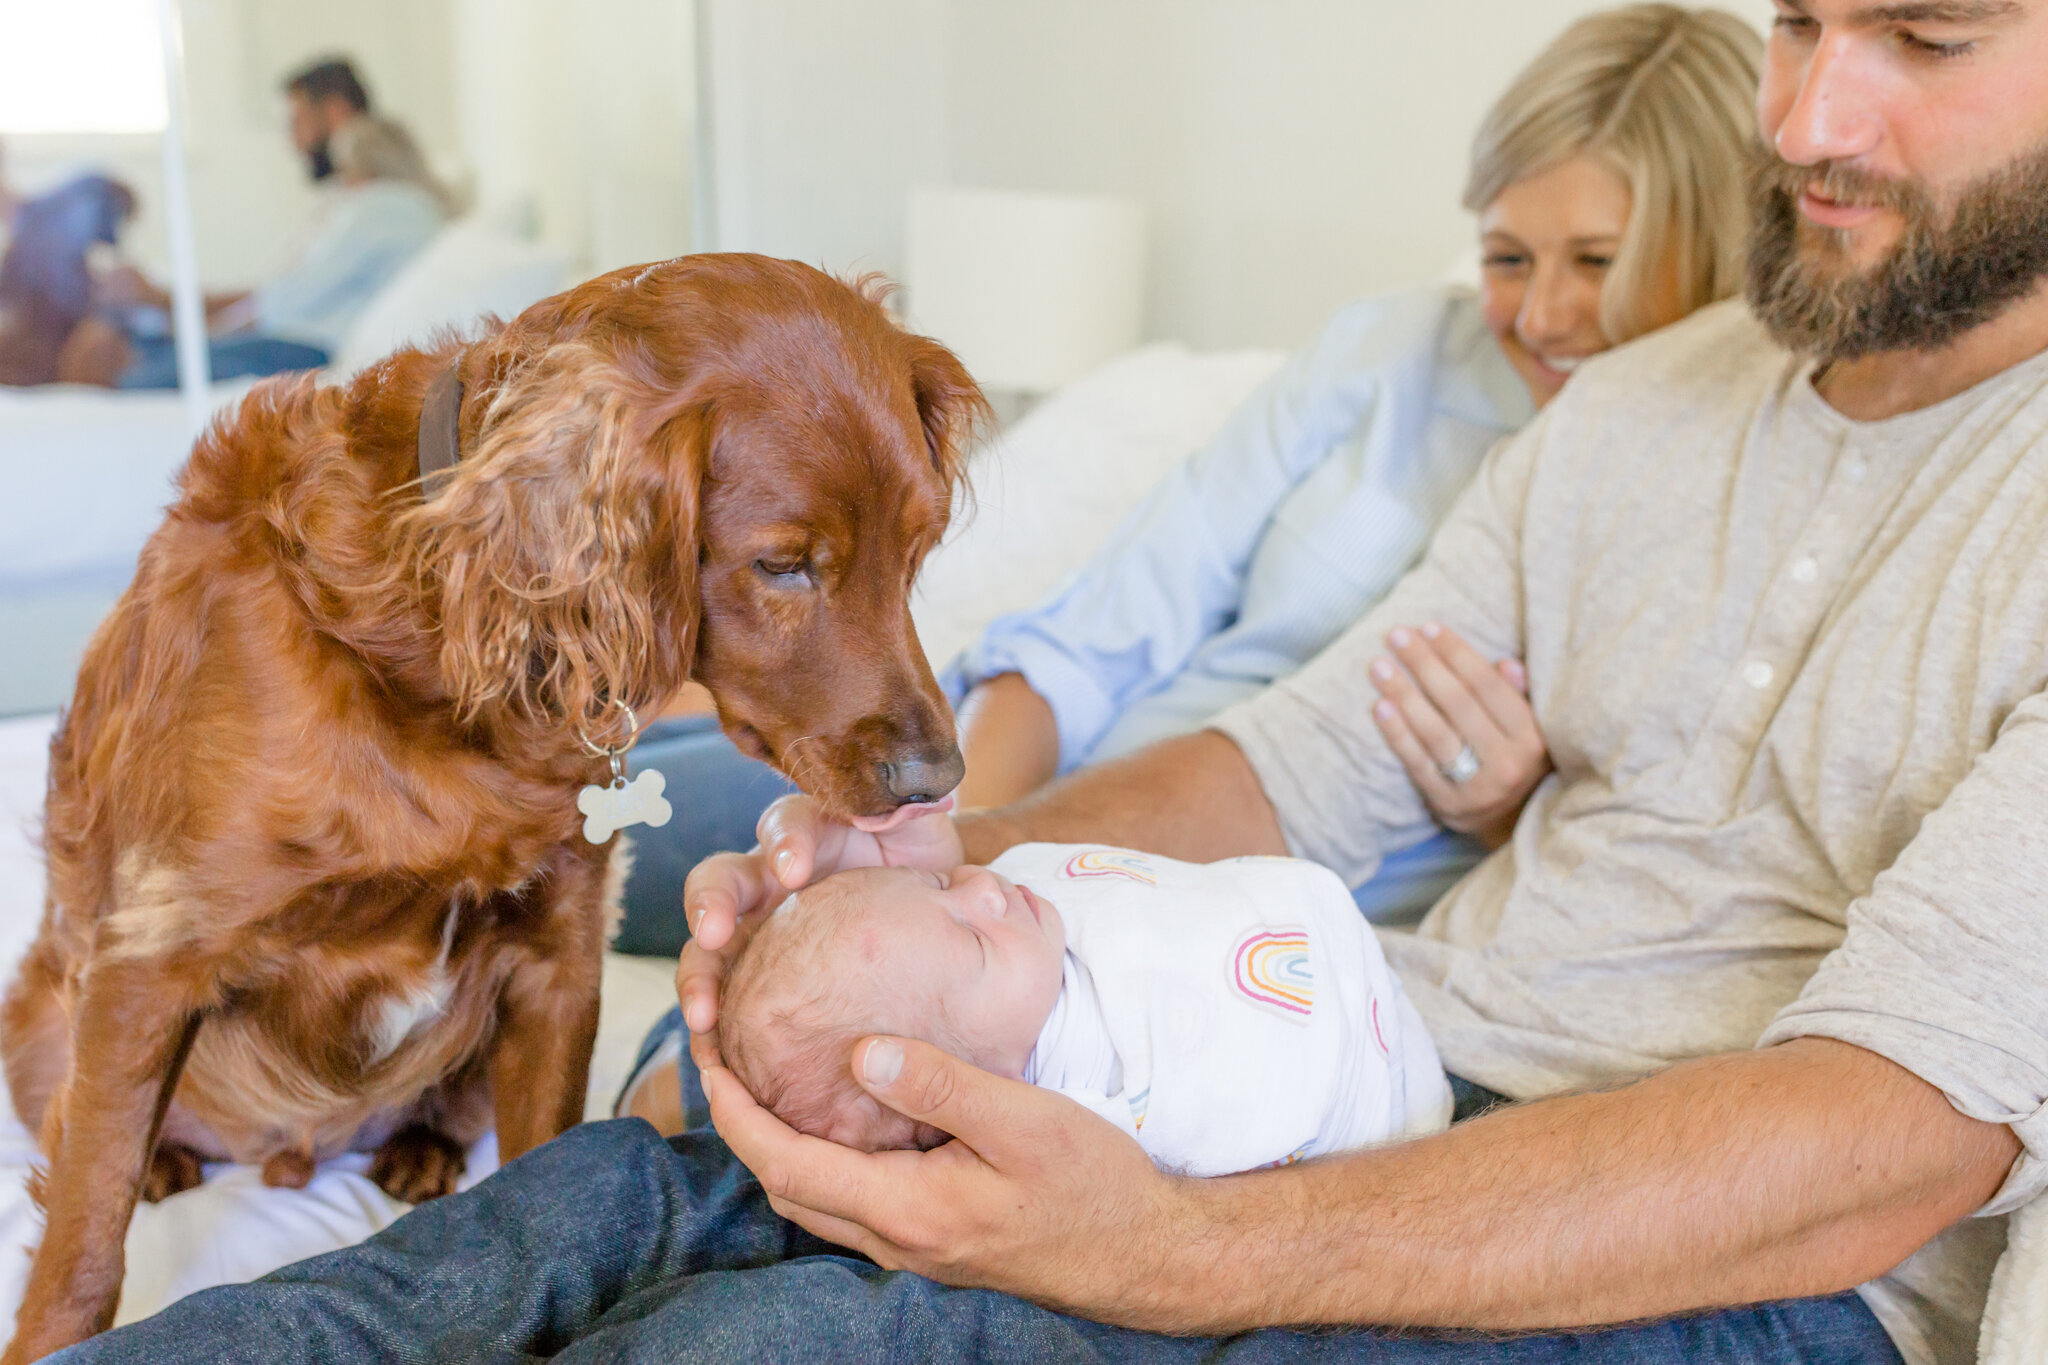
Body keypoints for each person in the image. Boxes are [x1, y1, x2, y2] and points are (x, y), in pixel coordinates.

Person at [61, 0, 2048, 1361]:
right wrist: (922, 882)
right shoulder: (1655, 401)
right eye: (1796, 24)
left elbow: (1899, 1130)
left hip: (1718, 1268)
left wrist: (1180, 1251)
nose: (1803, 117)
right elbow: (1289, 765)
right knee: (575, 1216)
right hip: (1356, 1068)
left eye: (1926, 36)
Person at [602, 0, 1765, 967]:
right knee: (560, 807)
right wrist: (942, 831)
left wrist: (1508, 810)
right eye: (1508, 258)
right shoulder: (1390, 355)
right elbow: (1097, 630)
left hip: (1198, 886)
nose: (1545, 313)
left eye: (1598, 264)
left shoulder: (1711, 489)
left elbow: (1637, 863)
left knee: (733, 964)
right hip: (1008, 783)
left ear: (1705, 244)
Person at [717, 848, 1450, 1168]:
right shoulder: (1070, 1114)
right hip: (1371, 1088)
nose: (985, 888)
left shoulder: (1022, 930)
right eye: (972, 941)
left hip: (1340, 950)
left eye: (938, 878)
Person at [63, 58, 448, 389]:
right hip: (285, 339)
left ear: (334, 114)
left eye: (296, 120)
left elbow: (280, 301)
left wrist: (173, 312)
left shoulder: (386, 205)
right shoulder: (366, 208)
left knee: (122, 372)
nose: (290, 140)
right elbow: (281, 293)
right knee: (106, 345)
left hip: (297, 347)